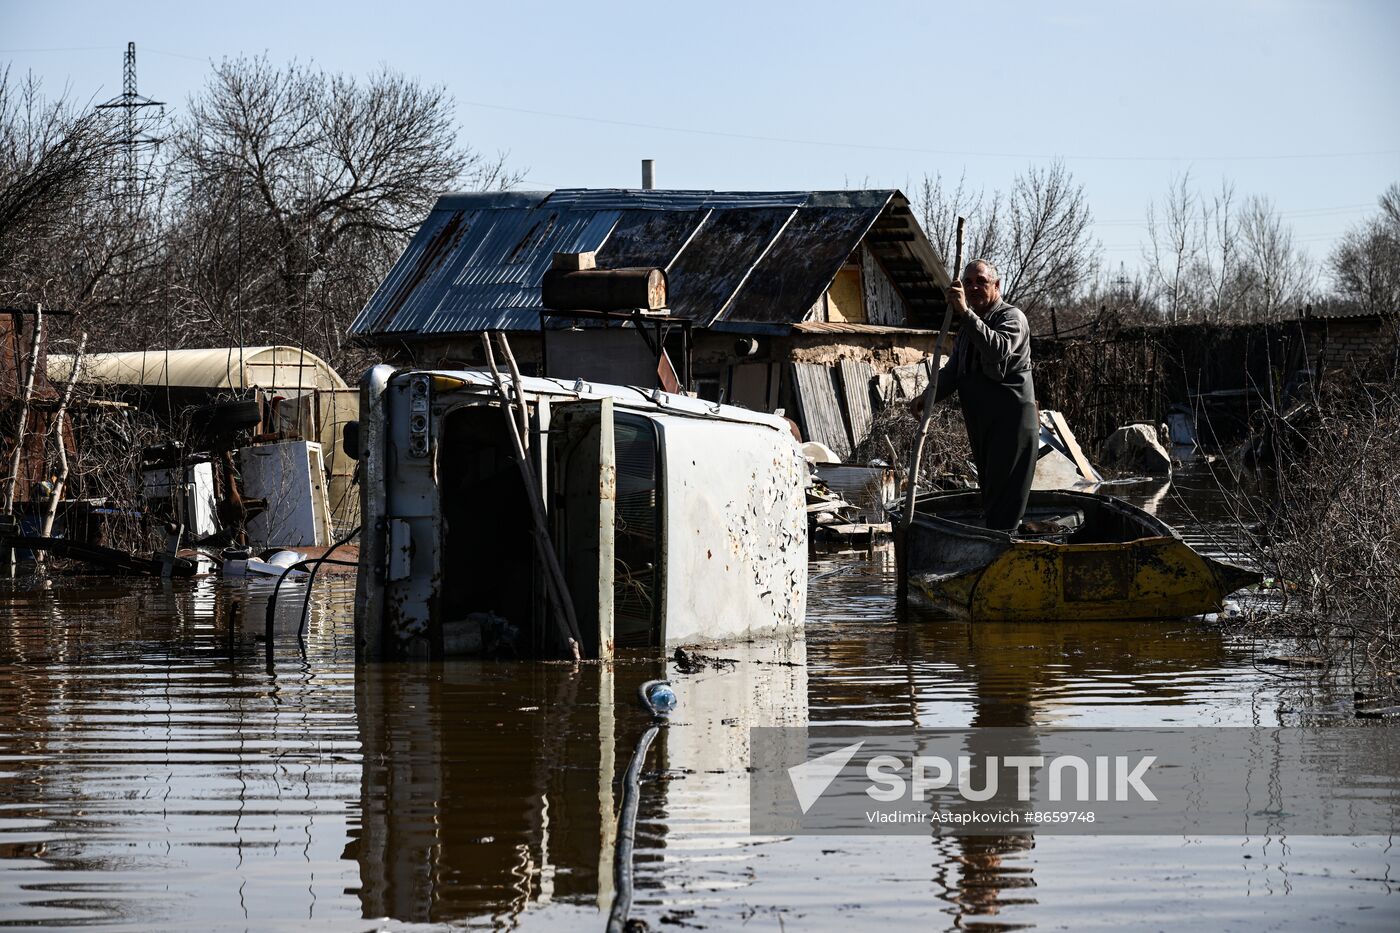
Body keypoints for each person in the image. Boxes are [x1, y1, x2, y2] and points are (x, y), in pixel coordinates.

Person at [920, 260, 1037, 532]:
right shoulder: (967, 328)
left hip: (1011, 422)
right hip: (982, 421)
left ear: (996, 286)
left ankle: (1003, 547)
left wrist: (964, 312)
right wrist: (928, 396)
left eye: (981, 282)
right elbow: (954, 371)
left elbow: (996, 349)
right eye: (968, 282)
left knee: (1005, 495)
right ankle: (996, 541)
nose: (973, 287)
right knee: (991, 491)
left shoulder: (1011, 317)